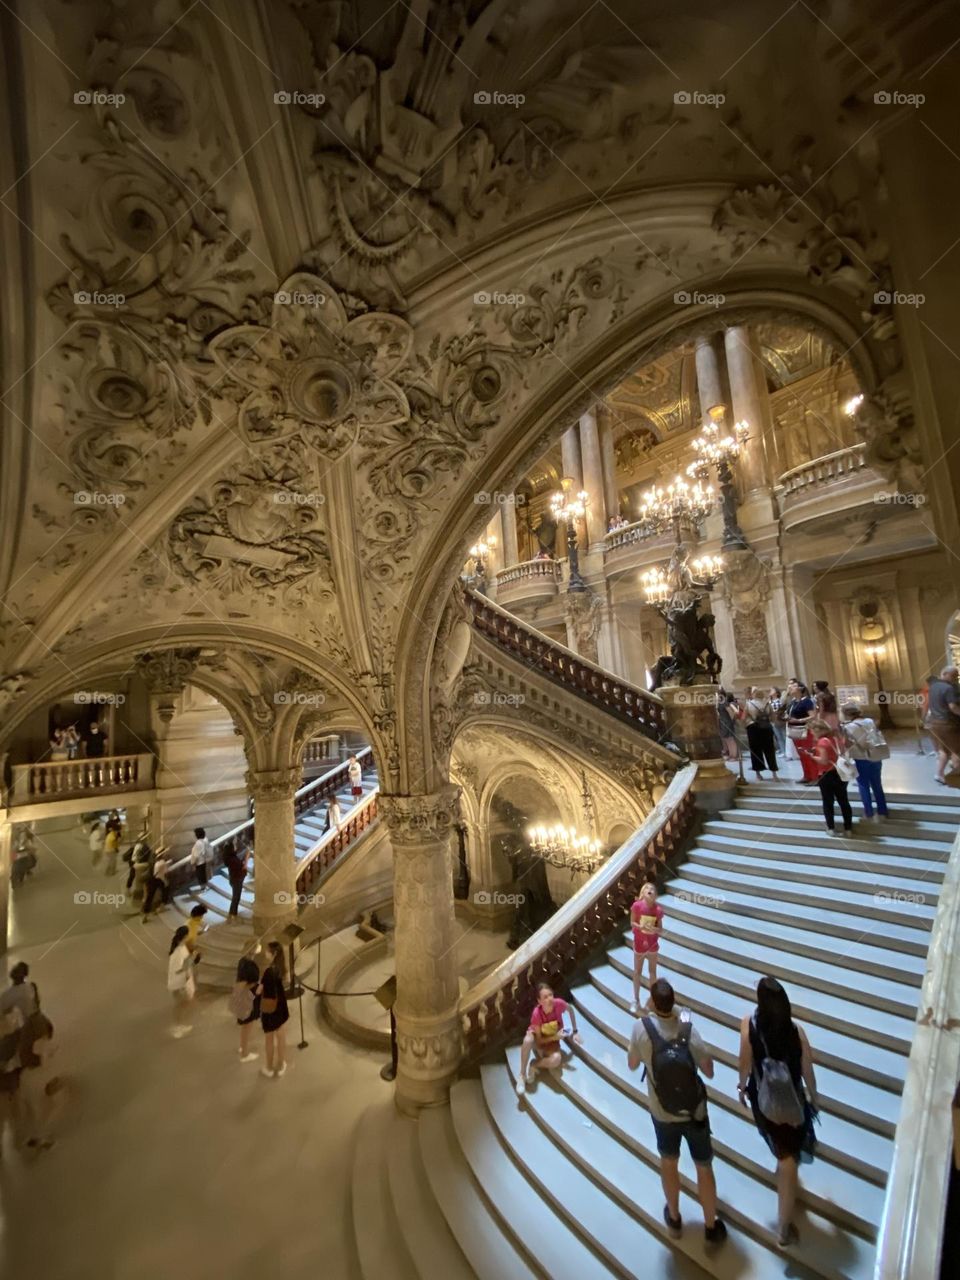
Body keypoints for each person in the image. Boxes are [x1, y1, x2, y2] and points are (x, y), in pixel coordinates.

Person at [627, 978, 727, 1245]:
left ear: (651, 1001)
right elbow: (709, 1071)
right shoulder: (687, 1027)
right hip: (694, 1112)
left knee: (669, 1161)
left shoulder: (641, 1028)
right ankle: (710, 1225)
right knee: (703, 1166)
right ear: (673, 1002)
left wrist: (647, 1016)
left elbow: (632, 1064)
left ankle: (674, 1218)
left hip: (662, 1112)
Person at [738, 977, 818, 1248]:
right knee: (788, 1163)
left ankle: (781, 1161)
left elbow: (745, 1063)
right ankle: (784, 1228)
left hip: (764, 1101)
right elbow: (807, 1070)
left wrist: (741, 1087)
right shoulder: (797, 1032)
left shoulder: (748, 1025)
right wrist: (814, 1099)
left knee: (781, 1153)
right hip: (792, 1104)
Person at [516, 982, 581, 1096]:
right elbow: (539, 1041)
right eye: (545, 997)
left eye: (551, 995)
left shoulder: (559, 1004)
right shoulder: (536, 1014)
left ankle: (534, 1065)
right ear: (539, 1001)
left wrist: (575, 1031)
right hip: (539, 1038)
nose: (550, 999)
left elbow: (570, 1009)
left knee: (556, 1060)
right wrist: (555, 1037)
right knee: (527, 1040)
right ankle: (522, 1075)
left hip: (552, 1041)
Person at [799, 718, 853, 836]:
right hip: (840, 772)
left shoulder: (822, 742)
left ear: (816, 730)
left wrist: (811, 756)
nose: (811, 733)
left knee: (828, 802)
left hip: (827, 774)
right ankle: (848, 829)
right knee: (844, 801)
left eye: (812, 731)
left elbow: (823, 761)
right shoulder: (836, 738)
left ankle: (831, 828)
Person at [841, 702, 890, 821]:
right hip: (875, 755)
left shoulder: (848, 727)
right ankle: (882, 811)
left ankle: (868, 813)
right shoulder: (869, 721)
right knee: (877, 785)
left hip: (861, 758)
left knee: (863, 785)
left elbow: (846, 744)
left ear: (846, 714)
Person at [18, 1011, 56, 1150]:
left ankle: (31, 1136)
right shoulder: (40, 1034)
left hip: (25, 1075)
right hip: (35, 1074)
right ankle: (42, 1138)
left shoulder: (28, 1026)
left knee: (29, 1109)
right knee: (46, 1105)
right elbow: (40, 1051)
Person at [630, 881, 664, 1013]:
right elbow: (632, 923)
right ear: (643, 893)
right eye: (647, 888)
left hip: (652, 945)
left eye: (653, 888)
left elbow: (661, 930)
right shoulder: (637, 906)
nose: (650, 889)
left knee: (652, 972)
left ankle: (653, 1000)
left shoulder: (658, 910)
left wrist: (654, 929)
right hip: (639, 943)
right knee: (637, 972)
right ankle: (636, 999)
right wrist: (641, 927)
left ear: (655, 895)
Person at [258, 942, 289, 1079]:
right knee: (281, 1034)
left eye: (267, 951)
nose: (265, 953)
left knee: (269, 1039)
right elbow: (287, 980)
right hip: (280, 1004)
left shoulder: (268, 972)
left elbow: (259, 991)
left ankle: (269, 1068)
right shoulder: (282, 968)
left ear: (274, 954)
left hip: (269, 1007)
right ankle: (281, 1064)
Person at [926, 666, 960, 786]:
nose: (956, 679)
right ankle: (957, 780)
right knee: (957, 751)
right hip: (948, 724)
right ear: (945, 674)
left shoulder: (933, 686)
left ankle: (939, 774)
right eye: (954, 676)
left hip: (934, 723)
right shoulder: (948, 688)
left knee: (943, 750)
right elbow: (953, 707)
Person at [167, 926, 198, 1038]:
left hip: (179, 983)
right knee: (181, 1005)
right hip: (180, 984)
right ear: (185, 936)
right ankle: (177, 1027)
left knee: (182, 1004)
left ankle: (179, 1024)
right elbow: (181, 968)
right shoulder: (179, 951)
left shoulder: (180, 948)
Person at [233, 945, 261, 1063]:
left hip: (246, 997)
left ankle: (242, 1047)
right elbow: (244, 984)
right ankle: (245, 1054)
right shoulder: (249, 966)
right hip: (249, 998)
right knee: (247, 1026)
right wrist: (257, 986)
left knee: (246, 1026)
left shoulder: (243, 961)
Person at [745, 687, 779, 780]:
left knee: (755, 751)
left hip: (753, 728)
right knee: (770, 750)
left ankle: (758, 774)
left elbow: (744, 717)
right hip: (766, 728)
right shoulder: (768, 704)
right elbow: (773, 717)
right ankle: (774, 774)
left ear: (752, 694)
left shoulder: (748, 704)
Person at [786, 682, 817, 783]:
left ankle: (814, 777)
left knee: (808, 754)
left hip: (805, 730)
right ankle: (807, 775)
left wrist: (799, 720)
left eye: (794, 686)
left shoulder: (806, 701)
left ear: (800, 689)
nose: (791, 688)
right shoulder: (793, 702)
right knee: (802, 754)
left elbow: (813, 716)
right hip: (795, 730)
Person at [222, 839, 249, 919]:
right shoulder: (233, 860)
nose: (236, 847)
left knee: (236, 897)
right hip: (236, 880)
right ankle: (233, 913)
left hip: (234, 879)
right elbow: (243, 867)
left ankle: (232, 913)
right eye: (234, 846)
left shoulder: (230, 858)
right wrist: (247, 857)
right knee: (236, 897)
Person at [141, 847, 171, 919]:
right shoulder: (162, 863)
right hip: (157, 879)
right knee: (166, 889)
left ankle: (145, 914)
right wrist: (165, 881)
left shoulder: (153, 860)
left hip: (150, 880)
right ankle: (162, 907)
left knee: (149, 897)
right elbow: (162, 875)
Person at [717, 691, 741, 763]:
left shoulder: (724, 703)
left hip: (727, 722)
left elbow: (731, 712)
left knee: (730, 739)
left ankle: (734, 755)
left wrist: (731, 721)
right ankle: (731, 754)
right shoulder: (720, 703)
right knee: (727, 739)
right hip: (723, 722)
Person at [769, 687, 787, 757]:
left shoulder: (780, 701)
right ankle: (782, 750)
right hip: (773, 721)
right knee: (778, 737)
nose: (770, 691)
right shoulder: (769, 702)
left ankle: (787, 751)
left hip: (781, 720)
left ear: (776, 692)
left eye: (772, 690)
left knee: (784, 735)